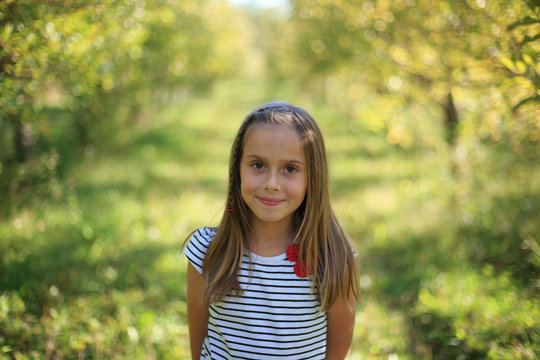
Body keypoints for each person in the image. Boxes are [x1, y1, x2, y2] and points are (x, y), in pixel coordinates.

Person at [184, 102, 361, 360]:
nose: (272, 184)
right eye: (258, 165)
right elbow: (198, 348)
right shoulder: (207, 249)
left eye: (290, 169)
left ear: (313, 177)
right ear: (237, 170)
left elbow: (337, 352)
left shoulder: (334, 256)